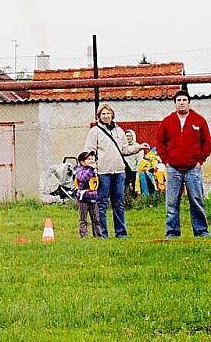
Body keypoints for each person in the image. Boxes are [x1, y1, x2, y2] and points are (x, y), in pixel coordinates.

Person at [84, 103, 148, 238]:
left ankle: (121, 233)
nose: (106, 116)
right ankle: (102, 234)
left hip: (119, 172)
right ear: (99, 116)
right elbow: (89, 150)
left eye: (108, 113)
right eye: (103, 114)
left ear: (112, 115)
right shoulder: (94, 131)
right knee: (101, 204)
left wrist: (139, 147)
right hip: (103, 172)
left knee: (119, 203)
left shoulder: (119, 131)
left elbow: (125, 149)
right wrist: (91, 165)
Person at [155, 90, 211, 238]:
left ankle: (201, 231)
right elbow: (160, 143)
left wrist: (200, 161)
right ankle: (172, 232)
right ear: (175, 103)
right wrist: (166, 161)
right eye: (179, 100)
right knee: (172, 203)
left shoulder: (199, 120)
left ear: (189, 102)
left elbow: (207, 142)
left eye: (184, 100)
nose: (181, 102)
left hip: (193, 168)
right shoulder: (167, 122)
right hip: (173, 168)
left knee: (196, 200)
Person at [74, 150, 101, 239]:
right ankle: (83, 236)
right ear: (82, 162)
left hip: (93, 197)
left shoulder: (94, 170)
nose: (91, 160)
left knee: (96, 218)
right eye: (88, 159)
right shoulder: (79, 171)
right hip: (83, 198)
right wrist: (91, 169)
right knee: (83, 219)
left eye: (92, 158)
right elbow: (84, 178)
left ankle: (98, 235)